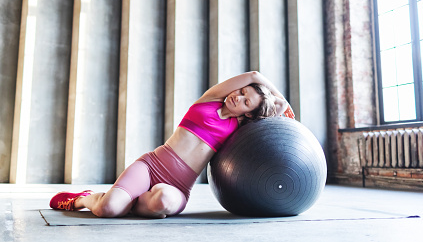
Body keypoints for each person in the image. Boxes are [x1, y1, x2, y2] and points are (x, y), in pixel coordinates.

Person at [50, 71, 294, 218]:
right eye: (240, 91)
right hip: (152, 166)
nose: (237, 96)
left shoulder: (238, 127)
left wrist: (279, 103)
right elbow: (254, 75)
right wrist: (275, 94)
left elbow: (279, 107)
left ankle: (127, 200)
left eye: (245, 100)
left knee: (164, 202)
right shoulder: (208, 100)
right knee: (109, 210)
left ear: (249, 113)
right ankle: (84, 199)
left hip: (179, 186)